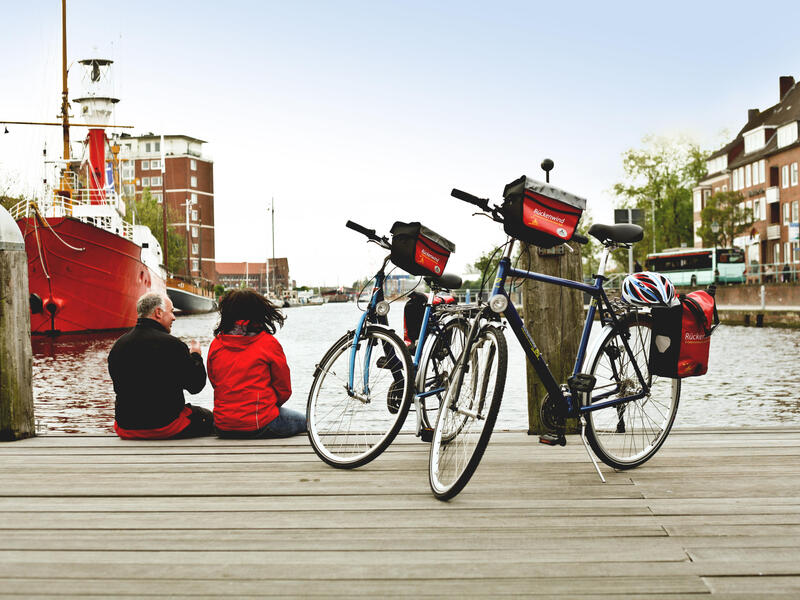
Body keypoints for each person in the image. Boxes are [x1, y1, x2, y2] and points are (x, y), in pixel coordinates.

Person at [108, 292, 212, 439]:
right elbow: (196, 386)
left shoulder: (119, 345)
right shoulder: (173, 345)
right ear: (158, 312)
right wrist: (196, 355)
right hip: (165, 426)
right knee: (207, 417)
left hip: (126, 426)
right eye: (171, 311)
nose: (174, 317)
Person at [207, 289, 306, 438]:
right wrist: (266, 405)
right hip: (261, 424)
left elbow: (215, 381)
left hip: (223, 426)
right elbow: (284, 389)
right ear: (258, 313)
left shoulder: (216, 345)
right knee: (307, 421)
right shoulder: (268, 343)